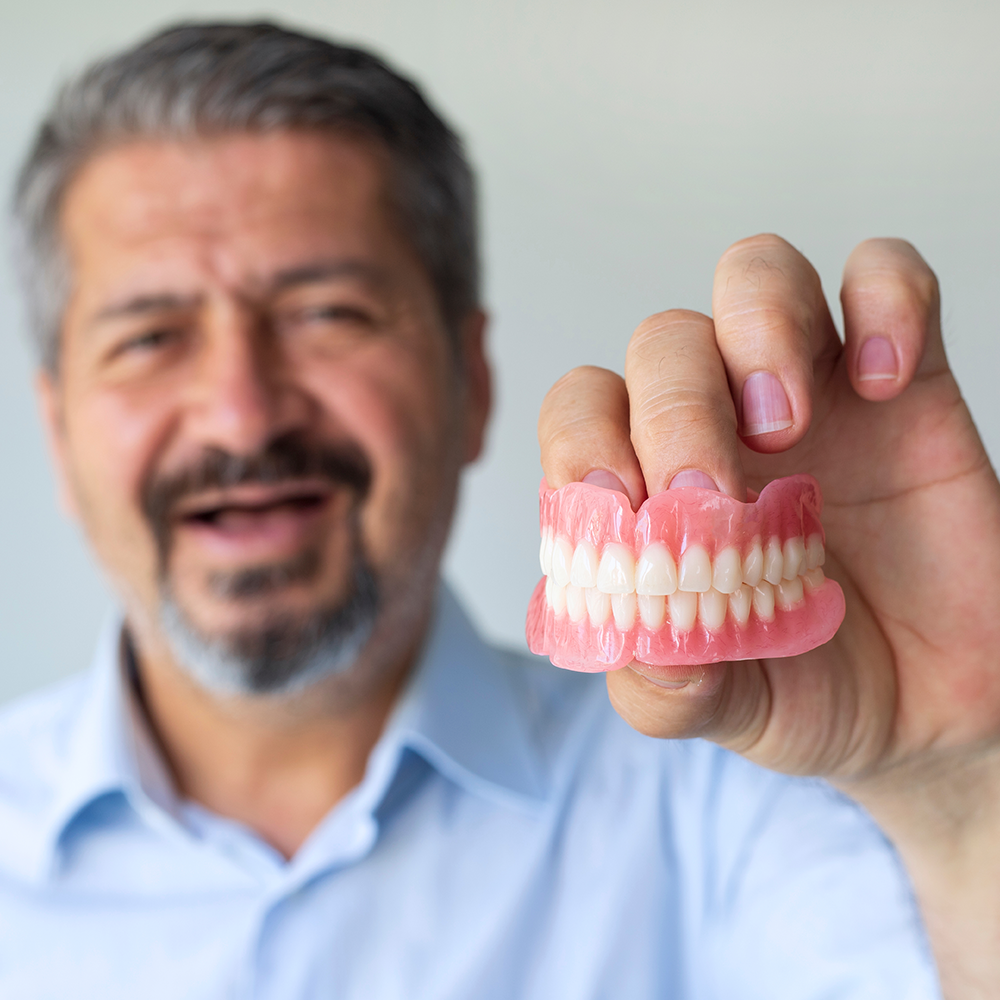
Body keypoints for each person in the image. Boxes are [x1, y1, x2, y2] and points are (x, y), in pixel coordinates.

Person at [0, 18, 979, 999]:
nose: (242, 414)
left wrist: (961, 795)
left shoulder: (743, 793)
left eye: (325, 314)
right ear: (58, 428)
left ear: (470, 380)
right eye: (149, 337)